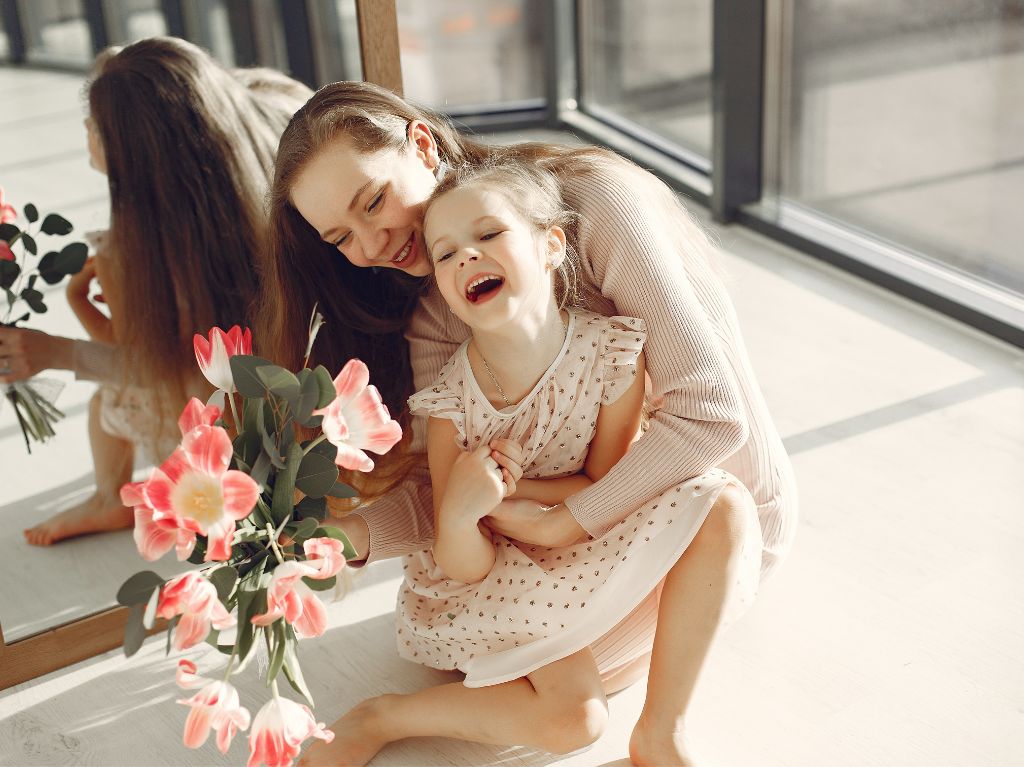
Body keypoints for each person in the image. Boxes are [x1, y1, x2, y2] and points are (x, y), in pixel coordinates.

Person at [259, 81, 797, 766]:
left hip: (710, 520)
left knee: (540, 682)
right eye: (341, 237)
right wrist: (350, 537)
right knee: (528, 682)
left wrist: (562, 520)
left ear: (421, 144)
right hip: (556, 547)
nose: (371, 243)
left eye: (373, 201)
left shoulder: (593, 205)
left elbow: (710, 415)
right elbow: (450, 489)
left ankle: (652, 729)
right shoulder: (435, 309)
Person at [0, 37, 312, 546]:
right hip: (289, 381)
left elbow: (172, 368)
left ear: (139, 159)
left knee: (115, 399)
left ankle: (113, 497)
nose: (84, 132)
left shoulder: (152, 248)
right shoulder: (256, 129)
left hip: (270, 405)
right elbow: (146, 347)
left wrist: (60, 353)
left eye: (96, 127)